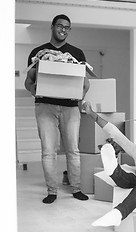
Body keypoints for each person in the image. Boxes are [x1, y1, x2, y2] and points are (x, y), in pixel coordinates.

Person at [24, 14, 90, 204]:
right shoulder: (39, 53)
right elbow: (28, 81)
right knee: (48, 151)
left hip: (71, 108)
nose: (63, 29)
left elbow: (85, 84)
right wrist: (33, 89)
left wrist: (81, 94)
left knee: (73, 150)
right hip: (45, 106)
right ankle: (52, 191)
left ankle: (76, 188)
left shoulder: (77, 54)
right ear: (52, 27)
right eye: (60, 26)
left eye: (67, 27)